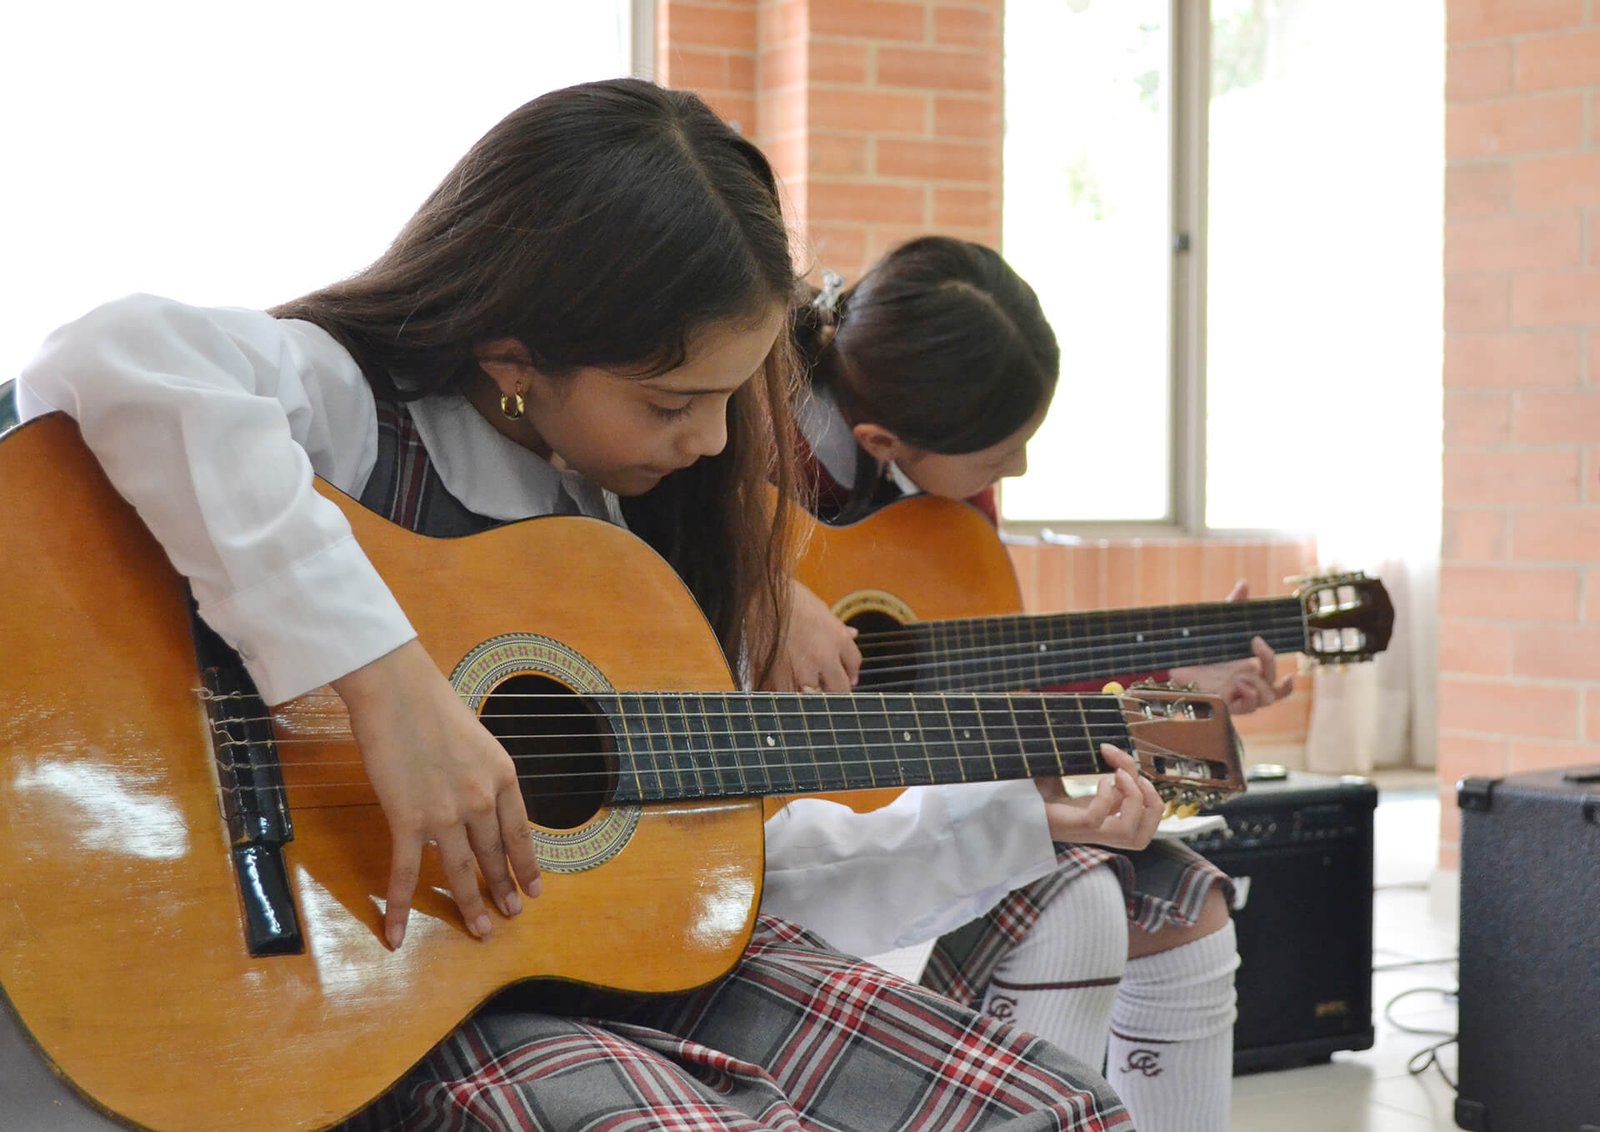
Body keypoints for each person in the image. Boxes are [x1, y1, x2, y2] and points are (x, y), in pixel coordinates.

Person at [15, 83, 1136, 1130]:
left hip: (582, 973)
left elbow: (717, 866)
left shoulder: (630, 540)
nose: (707, 443)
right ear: (513, 360)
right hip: (357, 988)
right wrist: (388, 685)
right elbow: (120, 353)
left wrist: (1020, 813)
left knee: (1055, 1109)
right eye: (670, 403)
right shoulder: (357, 412)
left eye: (726, 398)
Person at [762, 236, 1295, 1132]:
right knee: (1086, 896)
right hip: (807, 835)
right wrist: (765, 589)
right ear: (880, 442)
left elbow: (1002, 687)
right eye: (1002, 458)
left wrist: (1184, 697)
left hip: (933, 801)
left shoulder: (943, 498)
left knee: (1191, 902)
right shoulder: (734, 473)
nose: (1015, 476)